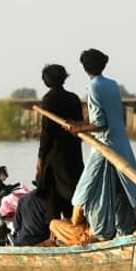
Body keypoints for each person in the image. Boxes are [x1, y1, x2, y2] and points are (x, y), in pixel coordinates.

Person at [66, 49, 136, 240]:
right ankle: (124, 229)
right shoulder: (112, 84)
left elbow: (101, 123)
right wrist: (80, 125)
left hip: (105, 145)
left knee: (84, 188)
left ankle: (74, 225)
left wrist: (78, 130)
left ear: (85, 68)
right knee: (126, 188)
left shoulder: (93, 87)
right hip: (121, 143)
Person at [35, 64, 84, 220]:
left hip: (55, 158)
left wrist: (40, 159)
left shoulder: (49, 100)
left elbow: (46, 133)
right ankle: (74, 228)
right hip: (73, 155)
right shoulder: (74, 98)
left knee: (53, 199)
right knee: (73, 195)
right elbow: (80, 125)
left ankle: (55, 234)